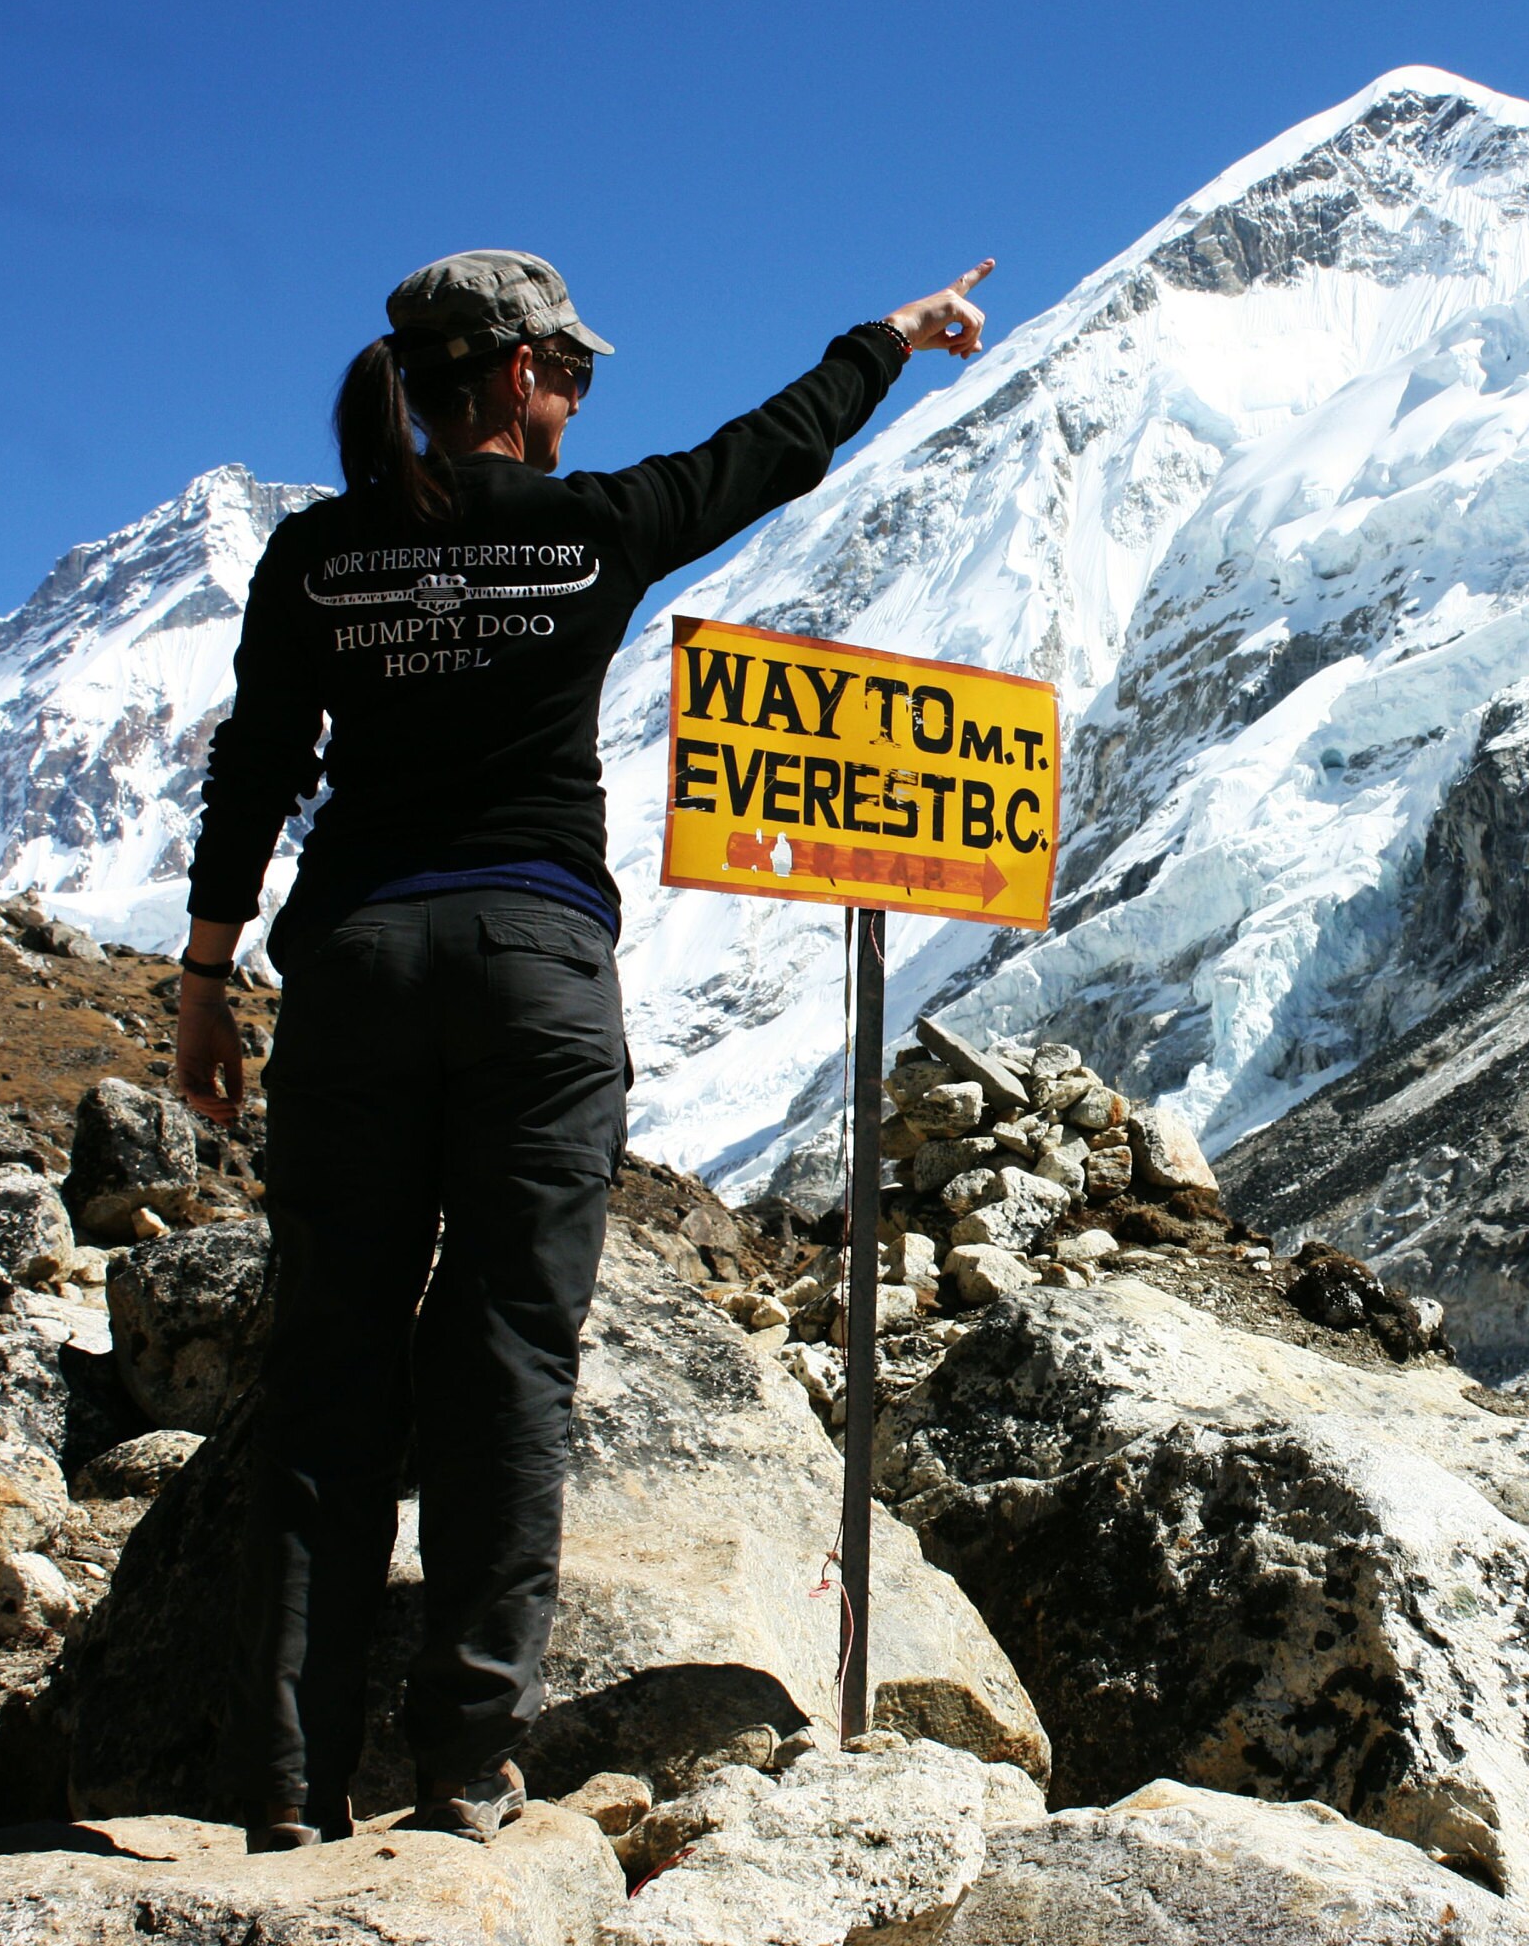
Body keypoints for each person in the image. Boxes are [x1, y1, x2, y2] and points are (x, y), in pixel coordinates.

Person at [171, 246, 992, 1848]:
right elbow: (774, 447)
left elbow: (257, 765)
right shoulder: (589, 529)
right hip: (540, 971)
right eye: (571, 375)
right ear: (518, 380)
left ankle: (282, 1784)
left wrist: (206, 980)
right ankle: (471, 1766)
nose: (578, 402)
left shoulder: (317, 556)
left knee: (330, 1362)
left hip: (355, 965)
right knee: (505, 1365)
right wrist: (886, 338)